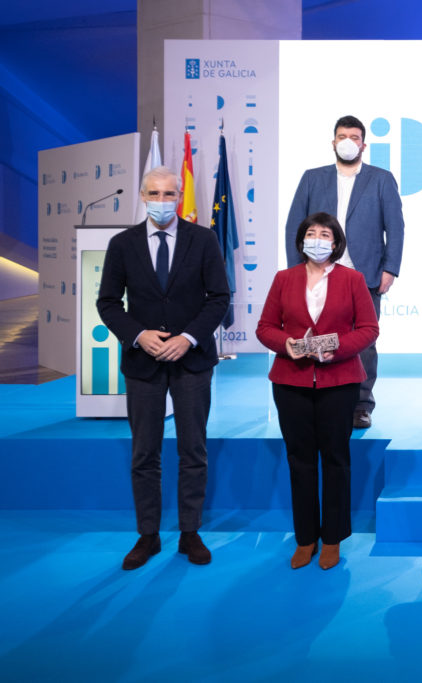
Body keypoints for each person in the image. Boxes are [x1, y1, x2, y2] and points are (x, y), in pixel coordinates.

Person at [96, 165, 230, 570]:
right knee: (144, 453)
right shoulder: (122, 244)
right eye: (153, 194)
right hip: (143, 362)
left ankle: (190, 533)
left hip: (192, 362)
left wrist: (187, 338)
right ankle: (148, 535)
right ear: (142, 196)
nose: (161, 201)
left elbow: (219, 297)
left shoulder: (203, 239)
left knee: (193, 450)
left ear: (180, 194)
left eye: (168, 193)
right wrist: (138, 335)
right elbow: (107, 303)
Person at [256, 212, 379, 570]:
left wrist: (336, 348)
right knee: (300, 460)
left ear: (336, 242)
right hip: (290, 382)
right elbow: (265, 328)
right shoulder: (284, 279)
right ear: (301, 241)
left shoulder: (353, 279)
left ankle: (332, 538)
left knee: (336, 459)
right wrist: (288, 343)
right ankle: (305, 537)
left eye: (325, 234)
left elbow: (368, 328)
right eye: (311, 233)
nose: (318, 240)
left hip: (339, 382)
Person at [284, 115, 404, 430]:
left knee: (363, 343)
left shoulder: (381, 178)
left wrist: (390, 268)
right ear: (333, 141)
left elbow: (396, 226)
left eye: (354, 136)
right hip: (318, 273)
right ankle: (321, 397)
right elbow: (294, 225)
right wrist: (297, 272)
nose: (348, 141)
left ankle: (361, 406)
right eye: (342, 135)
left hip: (365, 276)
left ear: (363, 144)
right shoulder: (313, 178)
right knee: (317, 336)